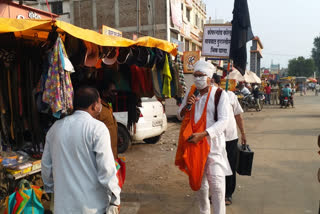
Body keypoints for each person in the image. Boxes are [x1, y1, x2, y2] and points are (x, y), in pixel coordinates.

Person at [42, 87, 120, 214]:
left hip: (63, 207)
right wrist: (115, 199)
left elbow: (46, 166)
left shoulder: (55, 129)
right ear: (95, 105)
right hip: (92, 207)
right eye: (100, 102)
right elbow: (106, 168)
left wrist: (51, 190)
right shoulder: (97, 129)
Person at [176, 60, 232, 214]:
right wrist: (188, 105)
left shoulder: (220, 95)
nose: (197, 78)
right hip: (195, 147)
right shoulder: (191, 92)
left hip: (213, 148)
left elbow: (224, 121)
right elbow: (179, 116)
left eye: (201, 75)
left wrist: (204, 134)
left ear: (209, 77)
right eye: (195, 75)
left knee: (217, 186)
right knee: (201, 186)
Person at [211, 74, 247, 206]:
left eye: (211, 81)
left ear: (216, 82)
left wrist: (243, 133)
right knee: (215, 167)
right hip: (213, 137)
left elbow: (238, 116)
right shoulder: (206, 97)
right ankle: (216, 192)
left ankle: (228, 194)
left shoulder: (230, 96)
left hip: (230, 138)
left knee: (230, 166)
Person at [97, 81, 118, 158]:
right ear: (104, 93)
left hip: (112, 155)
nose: (115, 94)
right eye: (112, 91)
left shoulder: (108, 107)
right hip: (104, 157)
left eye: (115, 91)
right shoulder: (98, 109)